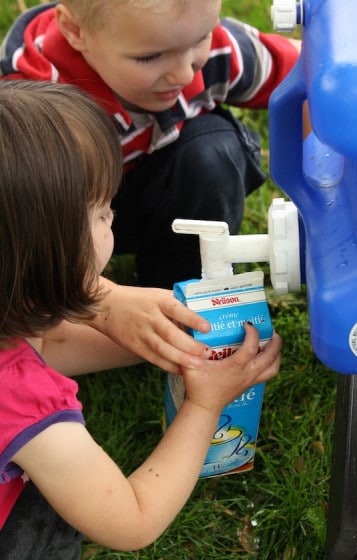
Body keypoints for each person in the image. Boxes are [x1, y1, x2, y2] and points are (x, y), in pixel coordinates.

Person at [0, 80, 282, 559]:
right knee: (47, 517)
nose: (113, 215)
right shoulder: (22, 400)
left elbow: (49, 343)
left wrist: (164, 338)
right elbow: (133, 520)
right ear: (45, 256)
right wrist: (203, 405)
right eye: (99, 212)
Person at [0, 0, 300, 289]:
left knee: (212, 154)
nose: (184, 73)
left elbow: (314, 75)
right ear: (77, 32)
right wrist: (106, 301)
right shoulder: (38, 109)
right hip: (55, 213)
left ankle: (184, 297)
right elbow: (25, 235)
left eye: (201, 39)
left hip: (157, 189)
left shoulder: (198, 42)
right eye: (148, 58)